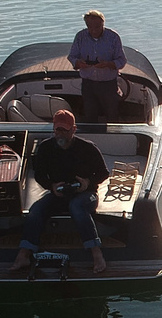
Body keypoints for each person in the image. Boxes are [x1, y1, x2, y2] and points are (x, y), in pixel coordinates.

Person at [11, 109, 111, 275]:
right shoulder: (45, 148)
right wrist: (52, 186)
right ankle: (24, 254)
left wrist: (87, 183)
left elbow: (103, 173)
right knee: (36, 210)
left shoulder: (88, 148)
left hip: (86, 194)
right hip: (59, 193)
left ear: (73, 129)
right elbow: (40, 175)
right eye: (58, 130)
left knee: (77, 207)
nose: (61, 134)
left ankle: (96, 253)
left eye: (65, 130)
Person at [68, 10, 126, 122]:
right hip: (88, 84)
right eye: (90, 27)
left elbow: (122, 60)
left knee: (112, 113)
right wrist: (78, 63)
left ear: (103, 24)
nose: (94, 30)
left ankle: (114, 137)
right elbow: (72, 56)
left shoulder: (113, 37)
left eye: (97, 27)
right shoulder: (80, 36)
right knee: (89, 113)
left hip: (108, 84)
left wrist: (109, 64)